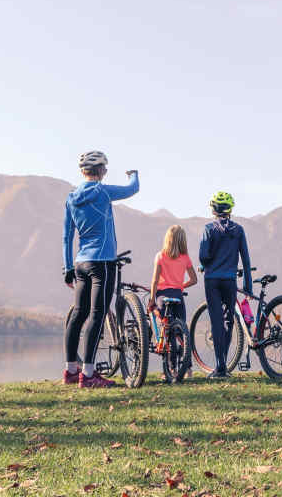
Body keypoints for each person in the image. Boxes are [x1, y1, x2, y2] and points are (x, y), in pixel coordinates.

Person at [62, 151, 139, 388]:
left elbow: (67, 237)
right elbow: (132, 189)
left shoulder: (71, 198)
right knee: (97, 315)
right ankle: (88, 374)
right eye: (105, 169)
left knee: (78, 314)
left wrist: (67, 267)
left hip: (80, 263)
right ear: (102, 171)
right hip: (103, 262)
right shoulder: (103, 192)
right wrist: (133, 174)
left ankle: (71, 371)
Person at [198, 191, 252, 379]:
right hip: (230, 280)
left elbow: (203, 256)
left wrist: (206, 264)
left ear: (213, 209)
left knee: (216, 321)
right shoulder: (239, 230)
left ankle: (220, 366)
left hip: (212, 280)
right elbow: (245, 259)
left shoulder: (208, 229)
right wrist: (248, 285)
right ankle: (223, 366)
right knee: (229, 320)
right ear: (230, 209)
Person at [147, 224, 198, 380]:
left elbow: (155, 281)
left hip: (163, 296)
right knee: (182, 333)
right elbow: (194, 279)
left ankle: (171, 370)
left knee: (168, 333)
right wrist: (181, 286)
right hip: (178, 296)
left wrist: (152, 299)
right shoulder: (185, 258)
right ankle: (188, 369)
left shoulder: (160, 256)